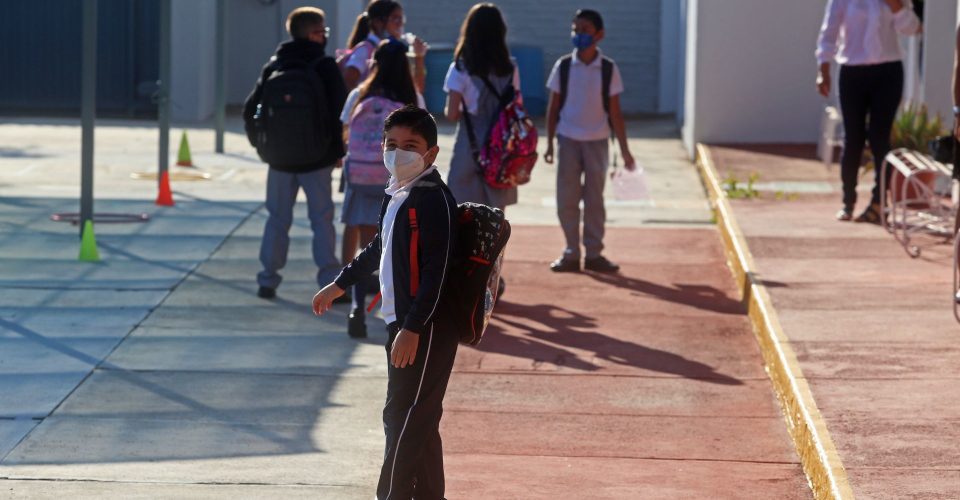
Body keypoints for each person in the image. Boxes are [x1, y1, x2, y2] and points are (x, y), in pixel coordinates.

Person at [312, 106, 458, 500]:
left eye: (410, 146)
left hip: (424, 326)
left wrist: (412, 329)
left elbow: (437, 272)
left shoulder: (433, 201)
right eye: (391, 144)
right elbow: (379, 246)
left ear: (431, 153)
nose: (398, 153)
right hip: (401, 321)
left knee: (403, 416)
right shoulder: (399, 192)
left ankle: (390, 495)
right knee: (418, 417)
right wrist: (339, 285)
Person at [243, 7, 347, 300]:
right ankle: (329, 281)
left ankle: (267, 280)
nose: (325, 36)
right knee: (322, 219)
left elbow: (250, 110)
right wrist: (338, 151)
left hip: (278, 161)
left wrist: (262, 146)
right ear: (314, 34)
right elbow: (340, 111)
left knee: (277, 219)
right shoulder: (324, 65)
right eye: (322, 31)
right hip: (317, 160)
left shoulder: (275, 64)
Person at [339, 39, 426, 338]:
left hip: (360, 177)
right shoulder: (410, 99)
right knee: (393, 248)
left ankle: (356, 309)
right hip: (395, 180)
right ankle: (396, 314)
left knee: (364, 249)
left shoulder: (358, 95)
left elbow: (344, 133)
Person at [543, 9, 635, 274]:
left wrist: (626, 151)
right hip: (568, 140)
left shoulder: (608, 69)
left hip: (597, 141)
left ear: (599, 35)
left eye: (585, 29)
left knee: (595, 200)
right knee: (567, 198)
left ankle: (594, 253)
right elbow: (553, 107)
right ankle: (571, 252)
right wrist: (549, 143)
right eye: (575, 29)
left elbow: (615, 113)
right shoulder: (563, 66)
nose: (579, 34)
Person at [816, 0, 921, 223]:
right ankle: (848, 202)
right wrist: (823, 68)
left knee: (879, 138)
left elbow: (912, 28)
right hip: (852, 72)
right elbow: (830, 31)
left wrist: (895, 4)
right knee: (853, 138)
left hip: (888, 72)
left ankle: (878, 203)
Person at [443, 3, 521, 211]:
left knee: (462, 210)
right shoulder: (510, 67)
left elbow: (451, 114)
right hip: (501, 145)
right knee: (495, 213)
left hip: (470, 144)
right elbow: (515, 105)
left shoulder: (460, 68)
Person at [342, 0, 428, 92]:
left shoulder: (395, 51)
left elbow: (416, 91)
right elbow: (348, 81)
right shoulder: (365, 50)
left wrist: (419, 57)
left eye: (401, 18)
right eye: (395, 18)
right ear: (377, 22)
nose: (400, 23)